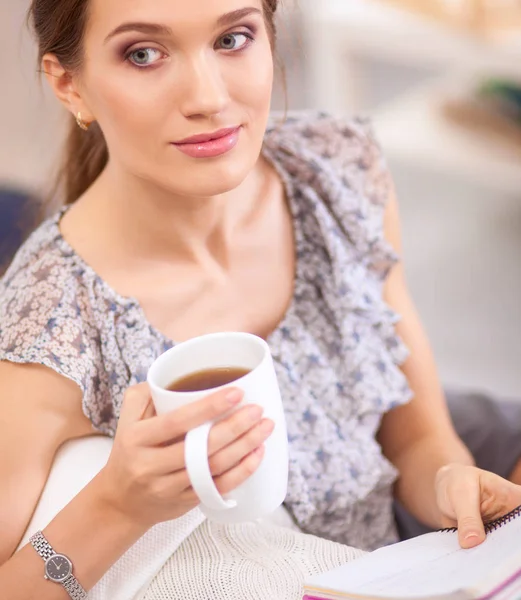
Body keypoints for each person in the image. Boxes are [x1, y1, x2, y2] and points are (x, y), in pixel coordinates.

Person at [1, 0, 520, 598]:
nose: (209, 97)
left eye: (233, 38)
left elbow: (414, 435)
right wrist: (119, 506)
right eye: (143, 54)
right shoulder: (49, 326)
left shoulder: (339, 170)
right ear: (70, 86)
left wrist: (449, 482)